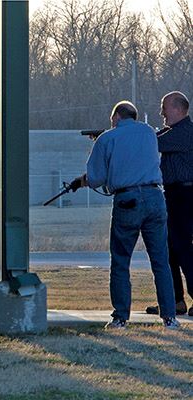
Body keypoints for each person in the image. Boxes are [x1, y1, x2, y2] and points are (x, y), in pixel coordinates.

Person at [73, 101, 180, 329]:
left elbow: (96, 178)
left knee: (121, 262)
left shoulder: (107, 139)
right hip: (155, 198)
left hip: (127, 200)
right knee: (161, 261)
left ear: (116, 117)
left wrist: (98, 148)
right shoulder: (150, 133)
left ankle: (121, 317)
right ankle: (169, 318)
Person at [146, 91, 193, 317]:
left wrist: (124, 136)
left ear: (177, 109)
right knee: (170, 250)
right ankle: (175, 301)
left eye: (164, 107)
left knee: (183, 247)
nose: (162, 113)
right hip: (175, 194)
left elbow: (153, 142)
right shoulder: (173, 131)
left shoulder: (184, 132)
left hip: (184, 195)